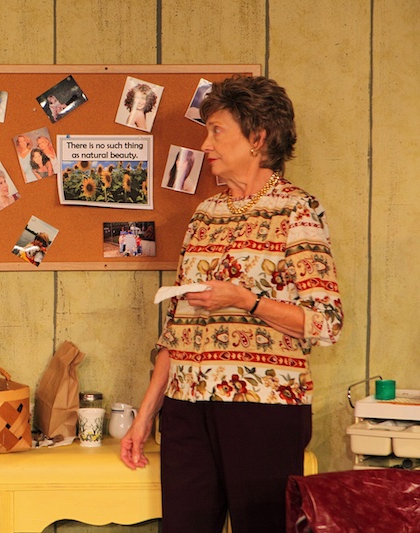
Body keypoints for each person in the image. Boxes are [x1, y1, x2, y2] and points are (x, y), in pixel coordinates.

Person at [120, 76, 343, 533]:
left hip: (262, 406)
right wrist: (145, 416)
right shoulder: (205, 215)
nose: (205, 144)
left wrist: (247, 302)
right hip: (186, 406)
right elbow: (176, 328)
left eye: (217, 131)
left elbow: (326, 322)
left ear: (258, 137)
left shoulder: (296, 211)